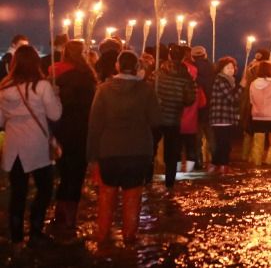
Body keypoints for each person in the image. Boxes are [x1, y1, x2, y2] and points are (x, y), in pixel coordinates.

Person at [86, 51, 160, 245]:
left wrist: (92, 156)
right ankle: (129, 238)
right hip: (138, 150)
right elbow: (156, 120)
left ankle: (102, 237)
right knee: (132, 196)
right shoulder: (147, 90)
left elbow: (94, 125)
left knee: (106, 194)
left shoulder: (103, 89)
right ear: (137, 67)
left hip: (109, 150)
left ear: (117, 66)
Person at [0, 45, 62, 248]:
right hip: (37, 146)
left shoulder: (3, 89)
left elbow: (0, 120)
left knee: (18, 192)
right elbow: (55, 114)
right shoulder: (42, 86)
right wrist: (56, 96)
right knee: (44, 189)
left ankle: (16, 236)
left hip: (14, 147)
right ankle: (36, 230)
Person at [49, 40, 98, 235]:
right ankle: (70, 216)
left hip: (62, 128)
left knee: (64, 172)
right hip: (82, 130)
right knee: (76, 174)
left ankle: (60, 211)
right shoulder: (88, 76)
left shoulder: (57, 73)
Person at [153, 45, 196, 190]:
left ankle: (147, 178)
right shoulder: (186, 77)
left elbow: (151, 90)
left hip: (156, 116)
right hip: (173, 118)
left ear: (169, 56)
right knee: (171, 153)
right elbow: (190, 99)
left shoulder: (159, 73)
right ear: (183, 57)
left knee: (151, 148)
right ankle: (169, 183)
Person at [209, 57, 242, 173]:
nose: (231, 70)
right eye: (227, 67)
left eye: (232, 68)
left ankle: (214, 165)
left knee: (223, 143)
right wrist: (241, 87)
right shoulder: (221, 80)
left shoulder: (229, 81)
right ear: (221, 69)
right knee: (224, 143)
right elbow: (232, 99)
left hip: (225, 117)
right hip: (221, 117)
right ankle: (223, 166)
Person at [190, 46, 215, 170]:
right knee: (212, 137)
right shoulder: (213, 68)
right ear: (205, 55)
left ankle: (198, 162)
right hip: (211, 108)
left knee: (197, 138)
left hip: (197, 109)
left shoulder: (191, 70)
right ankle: (216, 161)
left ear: (192, 57)